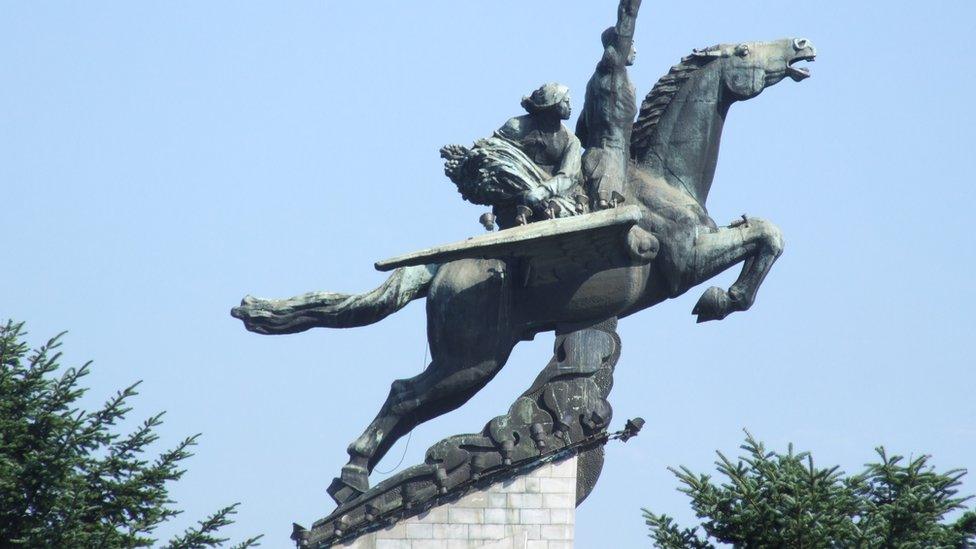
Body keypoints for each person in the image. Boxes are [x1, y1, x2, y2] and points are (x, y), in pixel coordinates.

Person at [441, 83, 583, 228]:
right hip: (515, 196)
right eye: (566, 102)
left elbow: (569, 176)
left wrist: (542, 192)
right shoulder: (517, 126)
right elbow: (492, 149)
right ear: (552, 104)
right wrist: (468, 158)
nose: (570, 106)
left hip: (553, 198)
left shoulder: (571, 141)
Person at [576, 0, 642, 210]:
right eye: (631, 43)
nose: (635, 49)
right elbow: (627, 14)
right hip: (609, 164)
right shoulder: (613, 70)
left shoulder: (593, 82)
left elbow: (581, 132)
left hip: (597, 158)